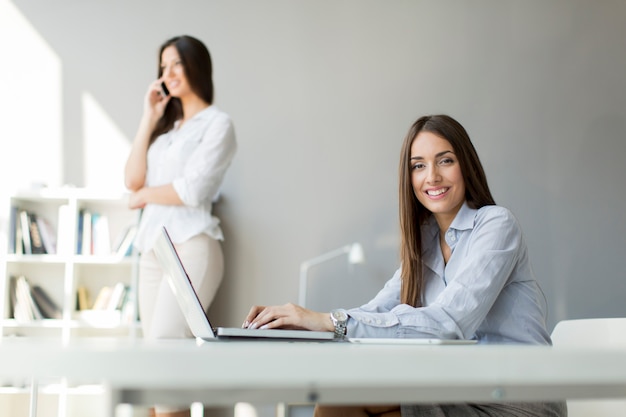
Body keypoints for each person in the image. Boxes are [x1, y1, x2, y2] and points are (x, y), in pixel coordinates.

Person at [242, 115, 567, 417]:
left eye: (446, 161)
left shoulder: (496, 225)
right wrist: (307, 326)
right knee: (343, 396)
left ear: (465, 166)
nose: (432, 176)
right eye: (418, 166)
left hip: (517, 401)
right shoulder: (423, 244)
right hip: (462, 391)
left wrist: (330, 321)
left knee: (348, 398)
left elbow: (447, 323)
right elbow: (378, 311)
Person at [124, 35, 236, 417]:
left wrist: (143, 197)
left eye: (176, 64)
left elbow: (193, 190)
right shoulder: (165, 132)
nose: (168, 73)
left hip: (193, 244)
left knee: (166, 343)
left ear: (196, 66)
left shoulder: (218, 124)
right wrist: (148, 118)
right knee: (152, 357)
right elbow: (132, 179)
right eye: (163, 66)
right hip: (153, 249)